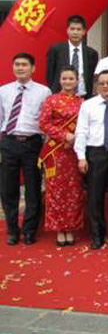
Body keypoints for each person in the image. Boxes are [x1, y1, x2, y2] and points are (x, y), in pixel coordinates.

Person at [0, 53, 51, 245]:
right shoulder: (3, 91)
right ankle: (13, 230)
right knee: (8, 189)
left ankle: (29, 230)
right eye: (17, 64)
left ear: (33, 68)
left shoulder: (43, 91)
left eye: (24, 65)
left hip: (33, 143)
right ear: (13, 67)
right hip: (9, 141)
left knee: (33, 188)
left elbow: (46, 119)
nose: (20, 68)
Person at [74, 70, 108, 249]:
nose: (105, 86)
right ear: (96, 85)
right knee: (95, 196)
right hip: (95, 153)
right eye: (102, 83)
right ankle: (97, 236)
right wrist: (81, 157)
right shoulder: (88, 105)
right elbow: (81, 131)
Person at [38, 66, 84, 246]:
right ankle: (58, 229)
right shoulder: (51, 100)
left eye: (71, 78)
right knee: (56, 191)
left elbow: (85, 125)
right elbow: (43, 123)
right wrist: (64, 135)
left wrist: (74, 139)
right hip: (55, 152)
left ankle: (70, 228)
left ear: (77, 81)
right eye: (64, 78)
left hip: (74, 152)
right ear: (59, 80)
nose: (67, 82)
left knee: (73, 191)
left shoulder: (82, 102)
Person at [46, 15, 98, 99]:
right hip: (60, 97)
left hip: (83, 97)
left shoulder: (91, 53)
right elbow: (50, 75)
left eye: (78, 29)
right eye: (72, 29)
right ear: (67, 30)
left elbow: (91, 77)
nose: (75, 32)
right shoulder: (56, 50)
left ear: (84, 32)